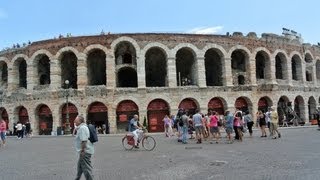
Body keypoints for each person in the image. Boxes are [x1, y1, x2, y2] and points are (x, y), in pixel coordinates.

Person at [74, 115, 94, 180]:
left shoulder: (82, 128)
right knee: (79, 168)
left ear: (80, 121)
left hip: (85, 152)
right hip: (84, 151)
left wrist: (82, 151)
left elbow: (84, 140)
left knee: (86, 169)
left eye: (76, 120)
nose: (74, 121)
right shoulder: (81, 127)